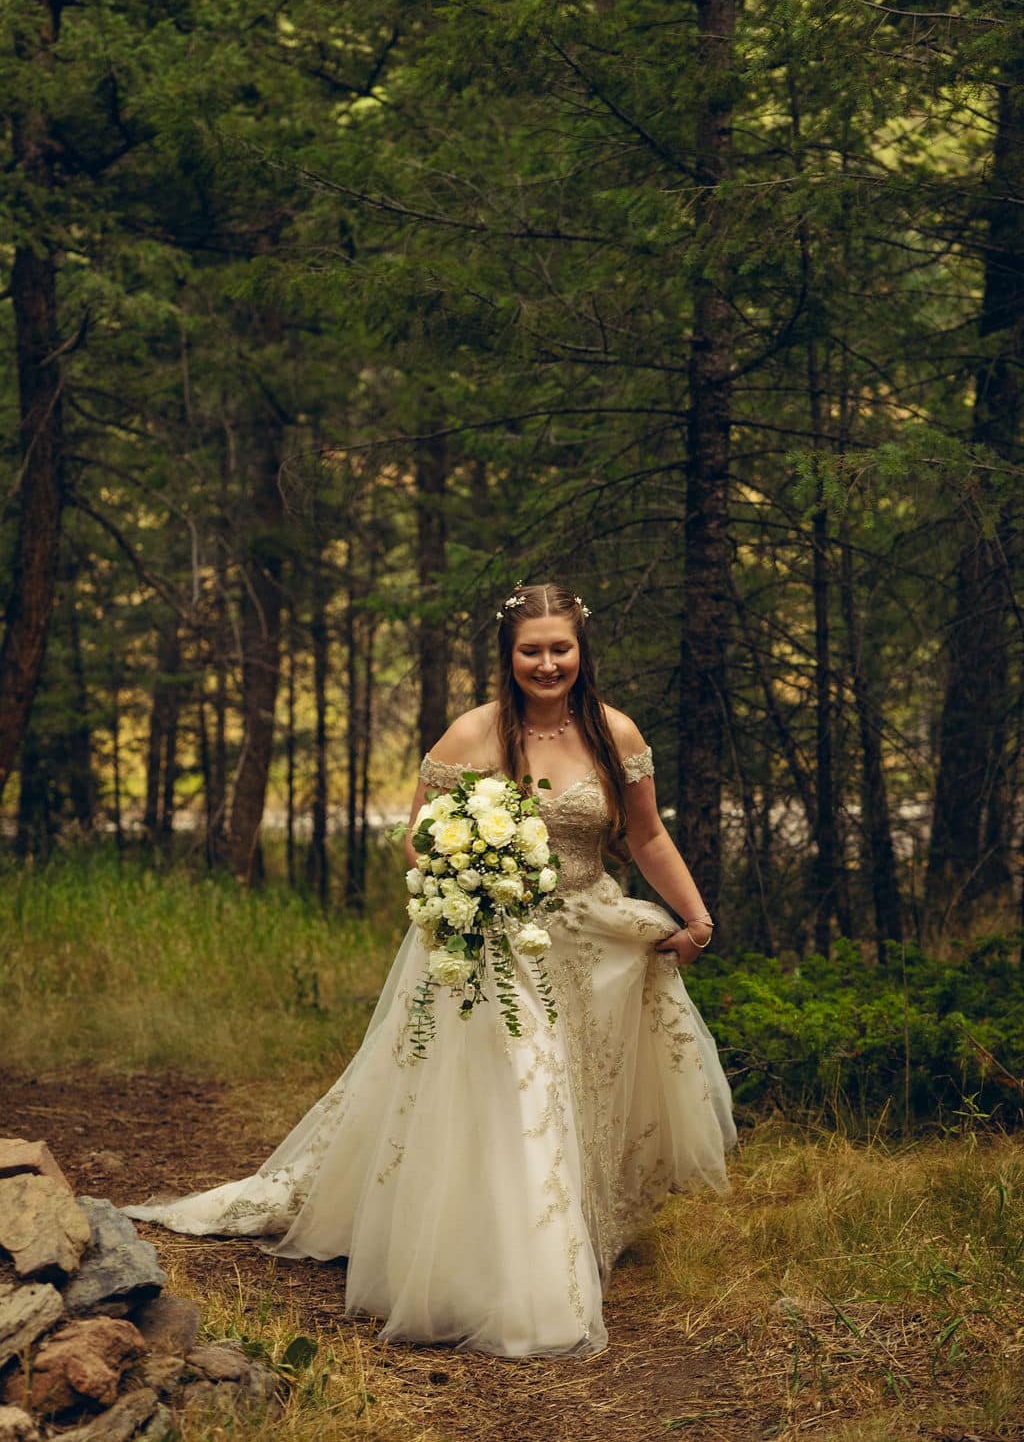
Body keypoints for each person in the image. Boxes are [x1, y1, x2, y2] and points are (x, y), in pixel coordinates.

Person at [124, 582, 735, 1358]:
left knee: (585, 1084)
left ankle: (579, 1227)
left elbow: (646, 837)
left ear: (582, 650)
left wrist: (697, 917)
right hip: (493, 945)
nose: (547, 663)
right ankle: (521, 1275)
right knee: (525, 1088)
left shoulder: (615, 734)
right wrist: (469, 882)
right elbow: (418, 840)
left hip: (587, 929)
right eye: (531, 650)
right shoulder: (471, 734)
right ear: (508, 655)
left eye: (560, 648)